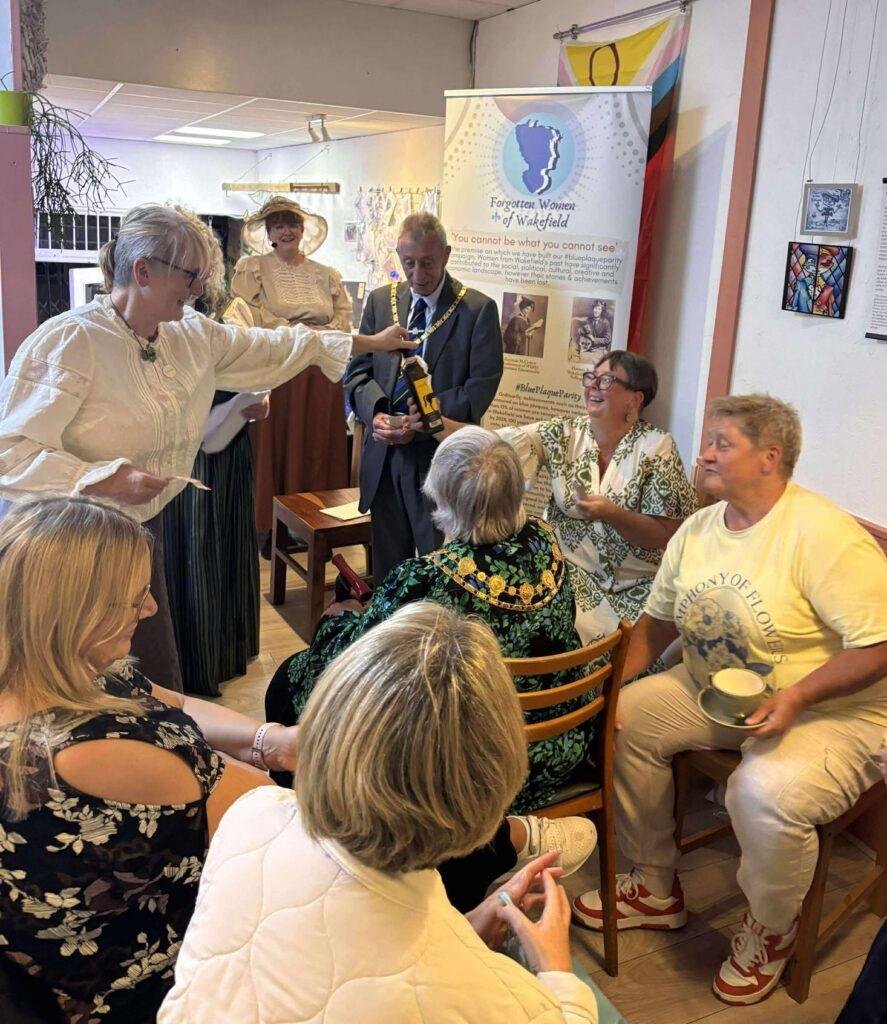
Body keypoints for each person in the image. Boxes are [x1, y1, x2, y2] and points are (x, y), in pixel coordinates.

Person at [0, 204, 409, 692]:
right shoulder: (71, 341)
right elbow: (12, 452)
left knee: (148, 682)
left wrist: (371, 342)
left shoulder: (189, 335)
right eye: (190, 275)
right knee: (75, 690)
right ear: (143, 270)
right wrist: (104, 478)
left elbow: (277, 345)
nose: (198, 289)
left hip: (143, 536)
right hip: (69, 555)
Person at [572, 395, 887, 1007]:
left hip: (829, 713)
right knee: (627, 720)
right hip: (719, 695)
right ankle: (655, 886)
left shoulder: (822, 534)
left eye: (722, 443)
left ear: (770, 458)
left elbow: (878, 646)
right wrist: (610, 691)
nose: (705, 452)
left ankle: (772, 929)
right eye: (707, 440)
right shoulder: (698, 528)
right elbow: (657, 626)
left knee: (760, 791)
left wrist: (798, 696)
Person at [159, 602, 601, 1024]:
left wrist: (462, 932)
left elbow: (355, 952)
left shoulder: (251, 815)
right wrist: (556, 971)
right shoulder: (504, 1000)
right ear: (492, 791)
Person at [0, 497, 306, 1024]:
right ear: (78, 610)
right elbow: (278, 823)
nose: (151, 609)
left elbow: (173, 701)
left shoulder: (55, 664)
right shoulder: (91, 750)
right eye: (134, 597)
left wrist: (270, 737)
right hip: (148, 982)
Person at [266, 426, 597, 909]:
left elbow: (345, 673)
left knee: (291, 683)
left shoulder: (426, 578)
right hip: (558, 741)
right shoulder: (547, 546)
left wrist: (337, 621)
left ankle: (331, 856)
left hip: (480, 764)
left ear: (441, 500)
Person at [424, 351, 697, 645]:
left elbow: (664, 535)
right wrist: (434, 422)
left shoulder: (658, 448)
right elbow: (493, 443)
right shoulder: (563, 432)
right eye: (590, 377)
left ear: (635, 399)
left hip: (635, 586)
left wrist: (613, 513)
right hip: (565, 574)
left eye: (606, 380)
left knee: (645, 645)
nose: (592, 386)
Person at [344, 212, 504, 584]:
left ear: (446, 255)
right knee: (388, 573)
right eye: (408, 263)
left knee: (440, 569)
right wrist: (379, 414)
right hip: (384, 458)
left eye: (427, 263)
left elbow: (479, 389)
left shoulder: (477, 310)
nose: (417, 274)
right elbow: (357, 372)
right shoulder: (382, 301)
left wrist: (420, 422)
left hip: (440, 458)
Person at [225, 196, 353, 544]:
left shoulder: (325, 274)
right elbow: (249, 315)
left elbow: (342, 318)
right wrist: (296, 334)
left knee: (316, 444)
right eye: (279, 225)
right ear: (269, 232)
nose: (287, 231)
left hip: (321, 372)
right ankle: (273, 527)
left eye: (292, 224)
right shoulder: (254, 268)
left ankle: (315, 524)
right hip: (280, 369)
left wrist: (322, 335)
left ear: (302, 229)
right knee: (278, 443)